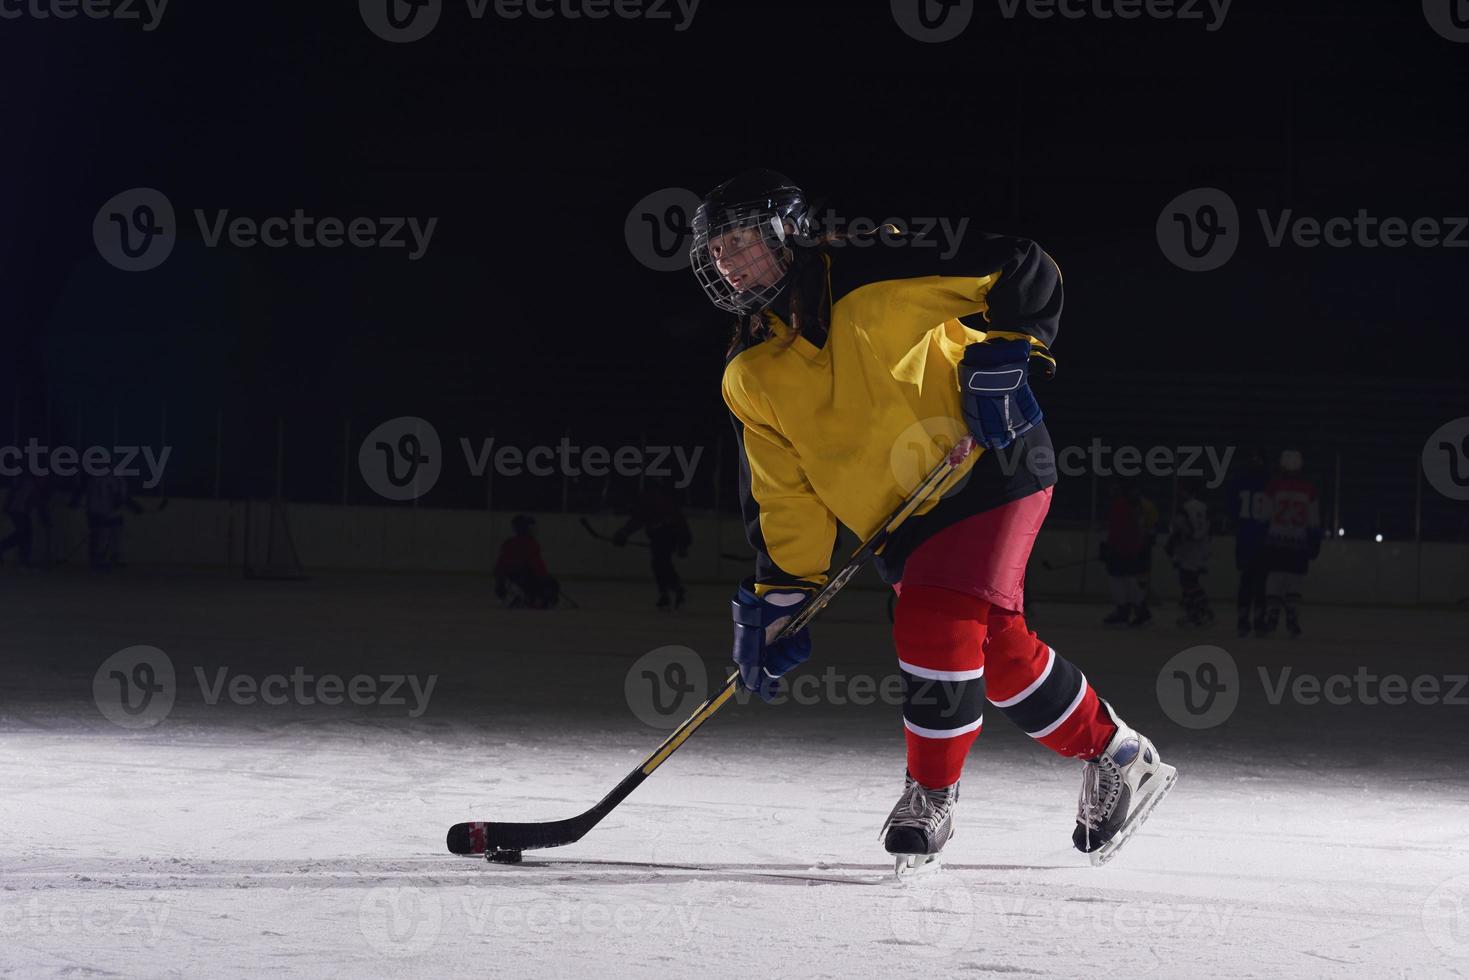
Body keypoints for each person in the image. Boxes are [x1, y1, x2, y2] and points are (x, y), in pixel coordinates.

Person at [691, 169, 1175, 873]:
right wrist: (780, 596)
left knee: (934, 618)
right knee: (999, 658)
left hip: (988, 464)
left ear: (787, 234)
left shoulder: (873, 272)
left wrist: (1010, 350)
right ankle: (1120, 754)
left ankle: (929, 796)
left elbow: (1021, 265)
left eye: (740, 242)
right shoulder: (749, 373)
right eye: (717, 251)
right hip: (903, 519)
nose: (728, 262)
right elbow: (783, 495)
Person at [1258, 450, 1321, 638]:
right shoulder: (1309, 489)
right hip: (1299, 542)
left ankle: (1272, 617)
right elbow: (1313, 521)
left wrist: (1261, 539)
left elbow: (1264, 516)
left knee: (1274, 579)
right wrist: (1315, 542)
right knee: (1295, 581)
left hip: (1275, 540)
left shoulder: (1273, 486)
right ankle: (1292, 618)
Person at [613, 479, 692, 609]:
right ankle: (672, 591)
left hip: (665, 535)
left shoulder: (651, 500)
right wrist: (684, 543)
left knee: (659, 564)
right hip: (666, 536)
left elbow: (638, 519)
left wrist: (623, 533)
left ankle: (670, 592)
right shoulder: (665, 500)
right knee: (662, 564)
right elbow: (680, 522)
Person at [1099, 480, 1158, 627]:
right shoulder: (1141, 505)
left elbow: (1117, 530)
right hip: (1136, 549)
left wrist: (1108, 547)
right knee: (1131, 580)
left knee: (1119, 580)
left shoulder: (1121, 506)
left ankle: (1124, 611)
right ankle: (1139, 611)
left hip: (1122, 549)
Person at [1229, 449, 1271, 637]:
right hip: (1263, 539)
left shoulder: (1239, 483)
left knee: (1246, 581)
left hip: (1245, 537)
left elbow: (1232, 511)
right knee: (1260, 583)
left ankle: (1243, 621)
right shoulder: (1269, 484)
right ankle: (1259, 621)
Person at [1165, 480, 1213, 627]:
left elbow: (1181, 528)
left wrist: (1172, 545)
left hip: (1189, 546)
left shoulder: (1184, 508)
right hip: (1201, 545)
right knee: (1191, 580)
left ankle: (1202, 610)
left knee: (1187, 581)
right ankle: (1194, 613)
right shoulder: (1204, 507)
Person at [493, 514, 560, 609]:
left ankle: (527, 597)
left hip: (513, 576)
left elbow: (500, 564)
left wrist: (500, 581)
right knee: (552, 583)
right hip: (526, 576)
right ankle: (540, 600)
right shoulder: (531, 543)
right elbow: (537, 565)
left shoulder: (509, 543)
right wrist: (545, 577)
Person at [0, 474, 50, 567]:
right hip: (19, 511)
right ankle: (23, 559)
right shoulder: (32, 485)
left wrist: (6, 507)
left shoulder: (27, 482)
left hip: (17, 510)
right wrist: (45, 518)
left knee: (22, 534)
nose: (45, 482)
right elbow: (38, 502)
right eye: (44, 479)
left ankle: (21, 557)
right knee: (25, 534)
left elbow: (13, 493)